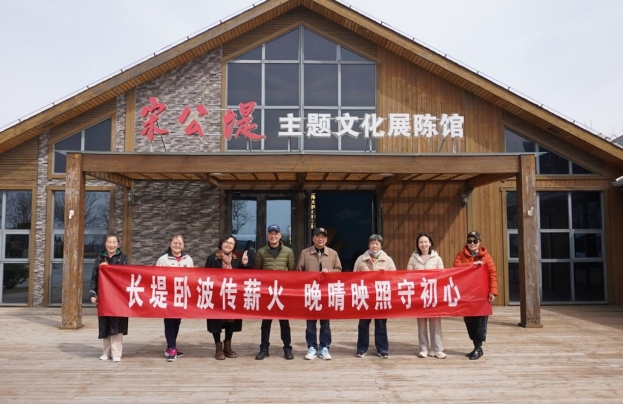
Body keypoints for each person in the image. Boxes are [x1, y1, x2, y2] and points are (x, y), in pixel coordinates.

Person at [296, 227, 342, 360]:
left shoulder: (333, 253)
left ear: (326, 239)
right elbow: (298, 271)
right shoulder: (305, 253)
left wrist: (330, 272)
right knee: (310, 322)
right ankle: (311, 347)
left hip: (326, 293)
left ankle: (324, 347)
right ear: (313, 238)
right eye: (317, 236)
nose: (320, 239)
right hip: (311, 292)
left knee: (325, 322)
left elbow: (339, 270)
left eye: (323, 237)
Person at [452, 231, 498, 360]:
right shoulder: (461, 255)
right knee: (469, 321)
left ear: (479, 242)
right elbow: (456, 267)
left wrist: (493, 292)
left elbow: (493, 275)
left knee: (480, 321)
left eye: (475, 241)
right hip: (466, 294)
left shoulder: (486, 257)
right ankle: (476, 346)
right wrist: (472, 264)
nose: (472, 243)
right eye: (469, 241)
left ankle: (478, 347)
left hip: (481, 295)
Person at [204, 235, 250, 360]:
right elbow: (205, 276)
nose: (228, 245)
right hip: (216, 295)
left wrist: (244, 264)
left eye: (231, 243)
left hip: (232, 295)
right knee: (216, 321)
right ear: (221, 243)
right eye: (226, 242)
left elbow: (245, 277)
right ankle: (218, 347)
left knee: (231, 320)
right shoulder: (212, 258)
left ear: (234, 246)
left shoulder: (237, 260)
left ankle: (227, 346)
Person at [254, 224, 296, 360]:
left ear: (280, 236)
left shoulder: (288, 251)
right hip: (267, 292)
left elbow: (292, 271)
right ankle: (264, 349)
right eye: (271, 234)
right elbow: (257, 272)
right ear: (267, 236)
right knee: (266, 323)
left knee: (284, 323)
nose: (273, 236)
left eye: (276, 234)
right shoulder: (261, 252)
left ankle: (287, 348)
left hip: (282, 292)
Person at [352, 234, 396, 359]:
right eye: (372, 243)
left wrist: (385, 273)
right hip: (365, 295)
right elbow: (353, 276)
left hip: (381, 295)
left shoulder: (388, 260)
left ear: (381, 245)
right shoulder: (361, 259)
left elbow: (395, 277)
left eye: (377, 243)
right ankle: (361, 348)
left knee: (381, 323)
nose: (374, 246)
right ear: (368, 245)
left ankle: (382, 349)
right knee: (363, 323)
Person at [89, 234, 129, 363]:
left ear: (118, 244)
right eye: (109, 242)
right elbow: (94, 278)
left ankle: (116, 353)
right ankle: (106, 352)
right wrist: (92, 294)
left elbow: (126, 275)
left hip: (118, 297)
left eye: (114, 242)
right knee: (105, 323)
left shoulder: (123, 258)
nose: (112, 245)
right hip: (104, 296)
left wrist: (109, 269)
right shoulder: (99, 258)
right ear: (105, 243)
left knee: (117, 323)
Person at [406, 232, 446, 359]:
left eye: (425, 242)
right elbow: (408, 276)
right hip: (419, 295)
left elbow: (442, 276)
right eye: (421, 242)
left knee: (435, 323)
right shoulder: (413, 258)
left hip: (434, 295)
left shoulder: (437, 258)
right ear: (418, 244)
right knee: (421, 323)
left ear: (430, 243)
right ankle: (423, 348)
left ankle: (437, 349)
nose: (423, 244)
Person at [156, 234, 194, 362]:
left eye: (180, 243)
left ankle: (171, 346)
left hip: (181, 295)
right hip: (167, 295)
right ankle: (171, 347)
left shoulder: (188, 259)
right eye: (175, 242)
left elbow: (192, 277)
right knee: (169, 320)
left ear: (184, 245)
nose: (177, 245)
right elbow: (156, 277)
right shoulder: (163, 259)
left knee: (177, 320)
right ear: (170, 243)